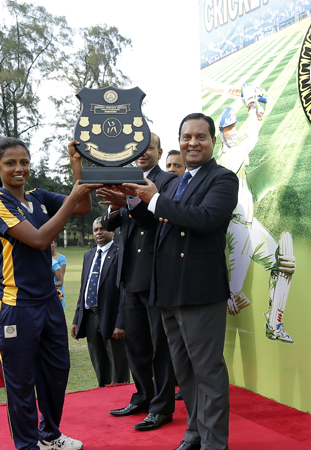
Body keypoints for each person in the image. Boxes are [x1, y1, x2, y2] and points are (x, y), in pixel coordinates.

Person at [120, 113, 238, 450]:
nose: (193, 143)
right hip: (168, 289)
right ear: (180, 140)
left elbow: (204, 218)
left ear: (213, 141)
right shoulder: (176, 182)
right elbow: (156, 219)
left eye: (201, 136)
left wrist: (153, 200)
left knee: (207, 372)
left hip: (199, 290)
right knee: (183, 371)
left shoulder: (223, 179)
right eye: (187, 137)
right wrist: (130, 199)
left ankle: (215, 443)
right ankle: (195, 432)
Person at [0, 137, 99, 450]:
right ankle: (27, 445)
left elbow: (84, 205)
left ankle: (49, 435)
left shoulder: (39, 197)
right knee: (20, 381)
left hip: (48, 301)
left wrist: (76, 163)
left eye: (24, 162)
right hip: (15, 305)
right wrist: (73, 197)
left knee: (57, 371)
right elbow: (38, 240)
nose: (19, 168)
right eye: (10, 163)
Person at [98, 132, 178, 432]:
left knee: (160, 347)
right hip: (129, 274)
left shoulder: (168, 181)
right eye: (138, 150)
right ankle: (142, 396)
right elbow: (108, 225)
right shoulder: (127, 179)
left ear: (158, 152)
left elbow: (155, 221)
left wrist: (130, 199)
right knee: (136, 345)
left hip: (155, 274)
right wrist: (115, 200)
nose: (143, 154)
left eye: (149, 149)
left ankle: (162, 407)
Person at [216, 84, 296, 343]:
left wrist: (256, 112)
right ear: (221, 135)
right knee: (234, 294)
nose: (234, 132)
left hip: (249, 225)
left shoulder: (233, 154)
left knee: (282, 263)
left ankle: (274, 324)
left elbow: (252, 135)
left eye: (234, 127)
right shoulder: (228, 157)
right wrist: (251, 106)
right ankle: (221, 307)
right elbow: (251, 139)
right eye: (229, 129)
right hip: (237, 228)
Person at [71, 217, 129, 388]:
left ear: (113, 231)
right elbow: (83, 289)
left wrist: (121, 322)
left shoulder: (121, 254)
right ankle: (103, 397)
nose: (99, 232)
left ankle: (121, 398)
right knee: (99, 362)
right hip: (89, 317)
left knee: (118, 365)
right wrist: (76, 319)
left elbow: (124, 292)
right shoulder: (88, 255)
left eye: (103, 229)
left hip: (111, 318)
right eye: (95, 229)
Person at [51, 240, 67, 309]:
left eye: (52, 242)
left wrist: (59, 292)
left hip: (56, 288)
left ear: (55, 244)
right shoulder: (42, 258)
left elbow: (61, 277)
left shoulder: (61, 258)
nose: (50, 245)